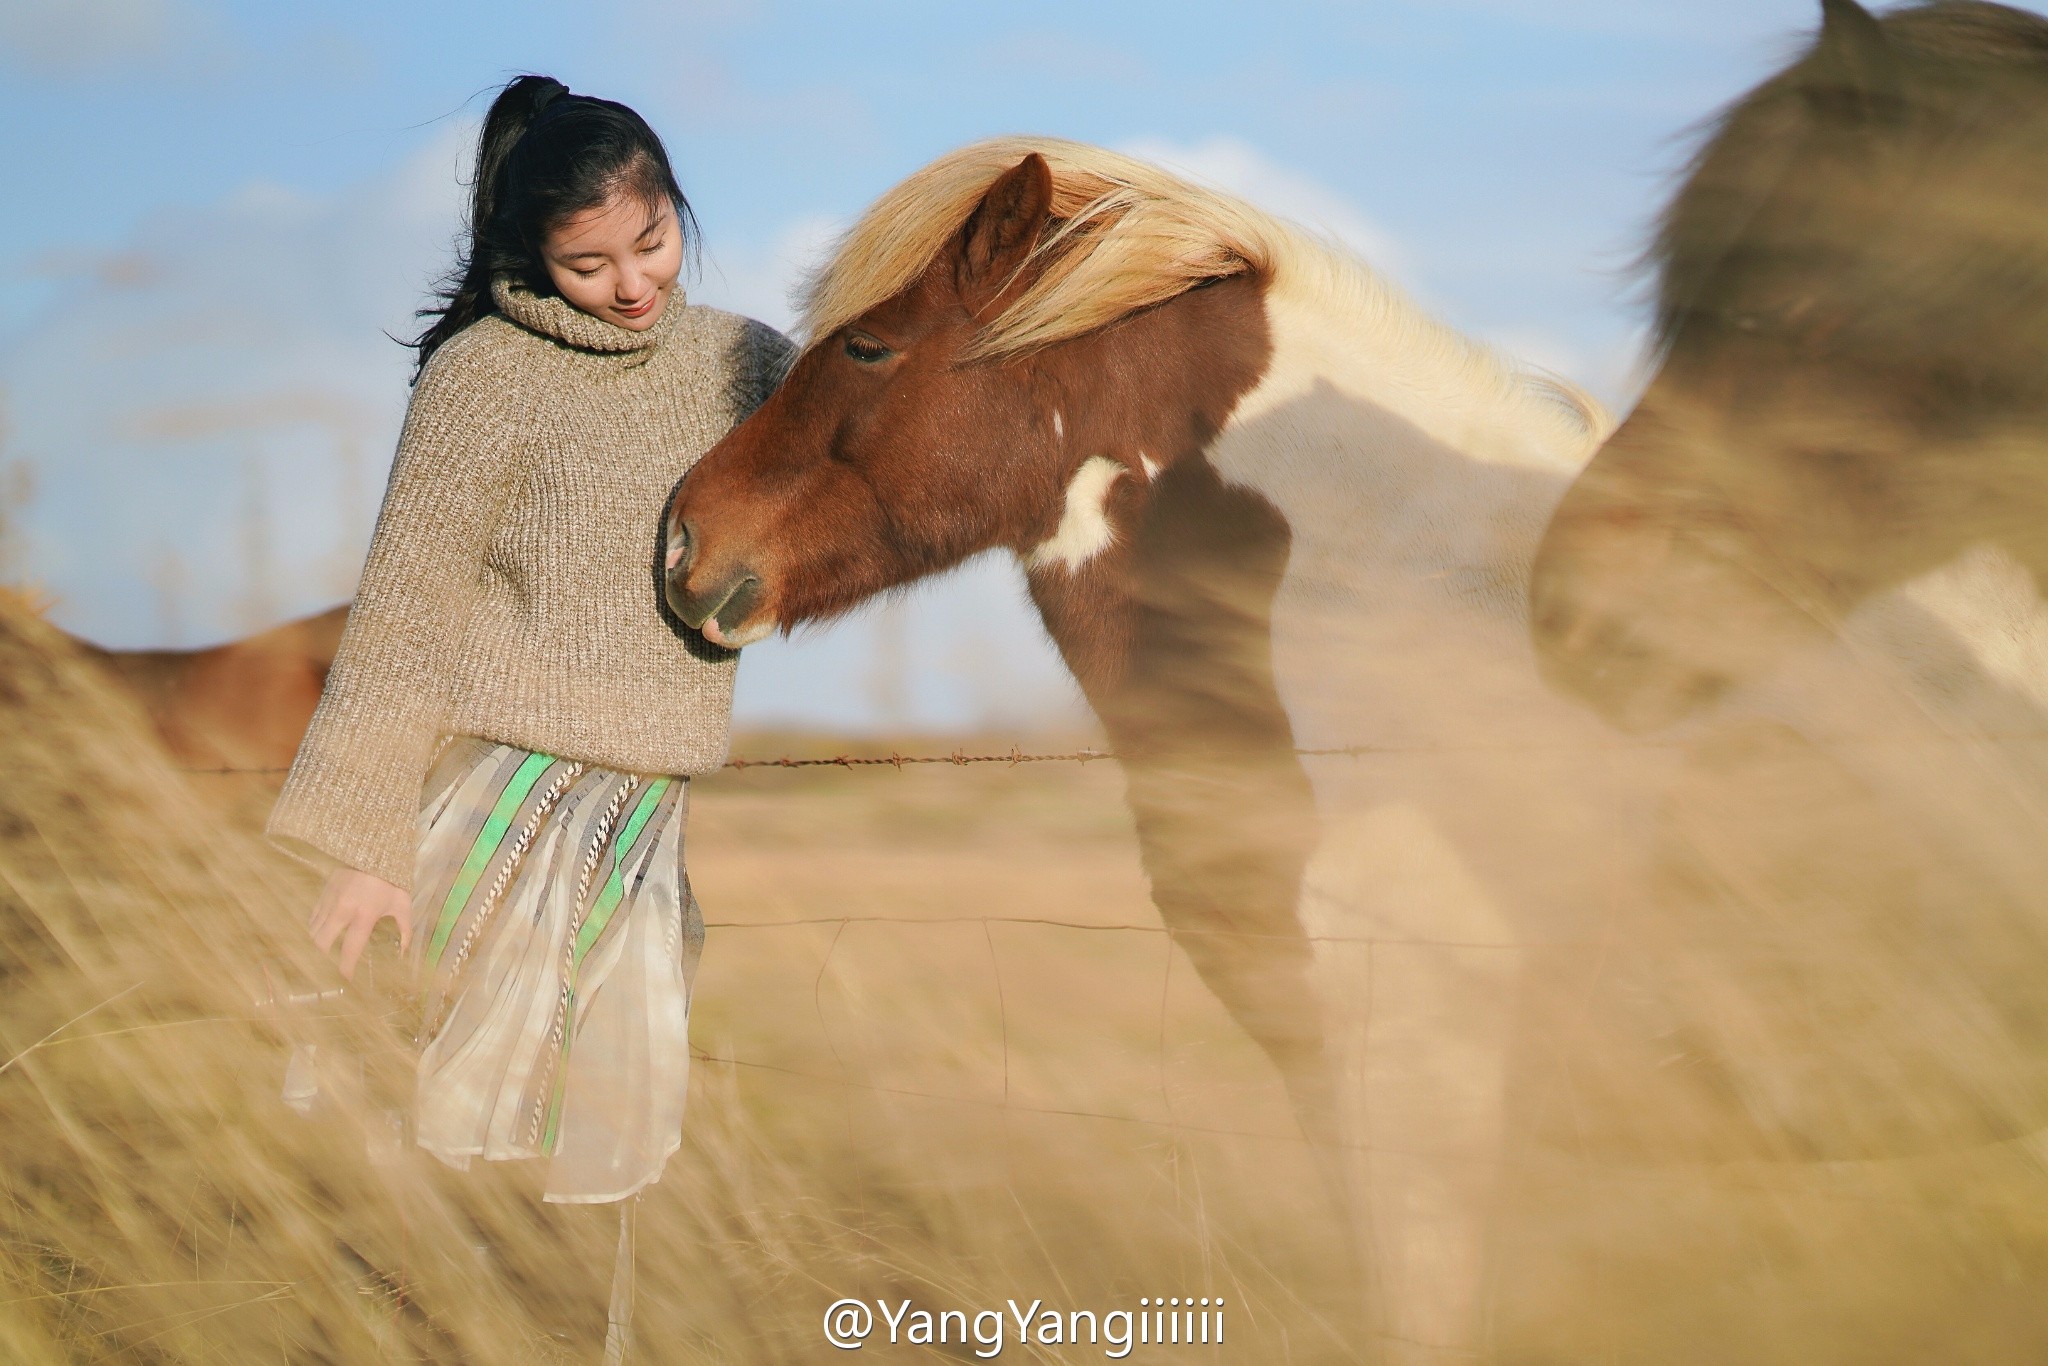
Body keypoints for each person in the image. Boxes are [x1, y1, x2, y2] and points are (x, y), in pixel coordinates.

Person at [266, 73, 792, 1359]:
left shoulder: (747, 363)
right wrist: (364, 839)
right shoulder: (483, 378)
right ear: (529, 253)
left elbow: (855, 480)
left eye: (651, 238)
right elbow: (404, 611)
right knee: (453, 1166)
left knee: (591, 1176)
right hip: (492, 808)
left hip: (641, 830)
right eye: (588, 262)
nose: (630, 284)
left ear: (677, 206)